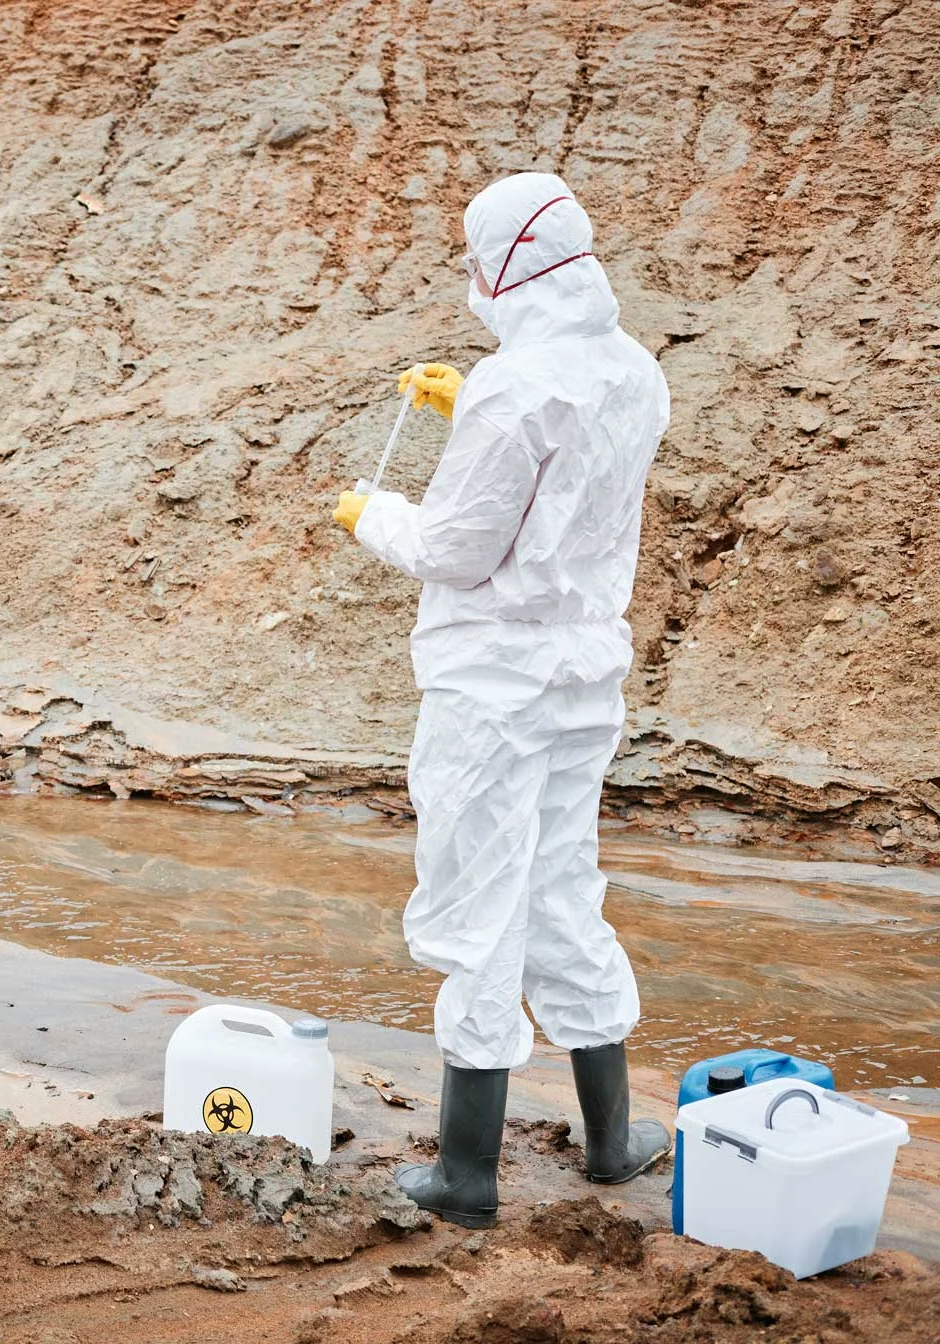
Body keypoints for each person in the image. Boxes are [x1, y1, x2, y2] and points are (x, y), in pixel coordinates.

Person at [333, 172, 670, 1227]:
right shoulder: (635, 370)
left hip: (492, 686)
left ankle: (466, 1176)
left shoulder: (511, 385)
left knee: (479, 903)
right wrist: (464, 413)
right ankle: (612, 1143)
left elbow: (457, 549)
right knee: (564, 886)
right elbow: (569, 481)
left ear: (506, 262)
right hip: (586, 671)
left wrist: (372, 515)